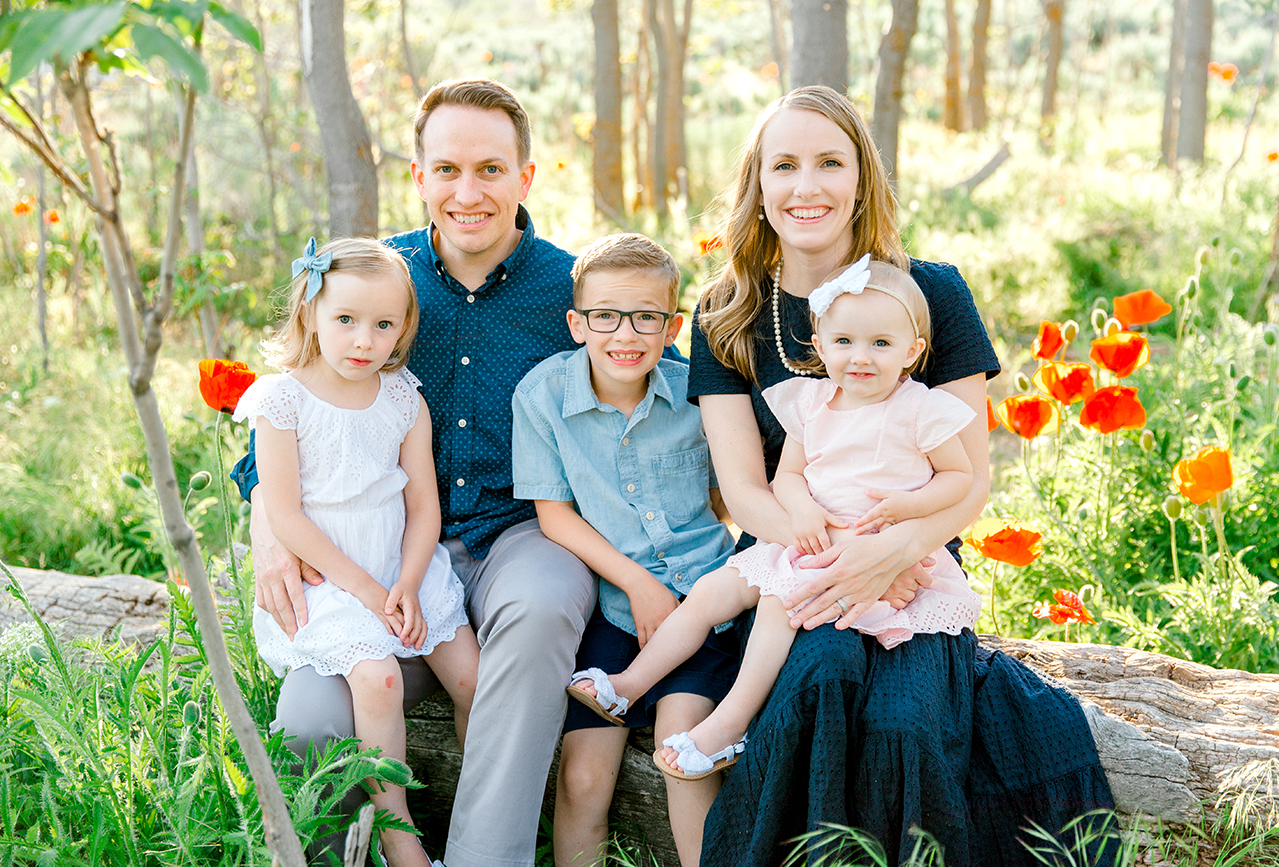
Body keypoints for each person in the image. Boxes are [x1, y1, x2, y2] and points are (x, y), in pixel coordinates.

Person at [685, 85, 1116, 866]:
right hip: (798, 568)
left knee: (908, 721)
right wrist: (837, 555)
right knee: (817, 686)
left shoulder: (932, 293)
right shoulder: (725, 312)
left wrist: (889, 553)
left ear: (862, 178)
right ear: (758, 183)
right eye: (783, 165)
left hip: (914, 566)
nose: (806, 185)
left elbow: (971, 477)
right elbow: (745, 488)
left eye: (829, 162)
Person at [232, 79, 629, 867]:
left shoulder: (574, 290)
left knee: (543, 604)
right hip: (376, 558)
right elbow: (275, 441)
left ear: (526, 176)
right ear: (419, 176)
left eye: (490, 168)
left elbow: (662, 381)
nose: (468, 191)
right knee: (311, 719)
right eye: (446, 169)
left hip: (525, 534)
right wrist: (269, 539)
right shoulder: (378, 281)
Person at [570, 257, 984, 785]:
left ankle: (730, 723)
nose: (861, 358)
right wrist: (804, 508)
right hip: (805, 535)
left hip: (877, 547)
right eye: (844, 342)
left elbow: (959, 478)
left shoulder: (918, 409)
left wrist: (907, 508)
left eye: (881, 344)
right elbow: (787, 476)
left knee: (776, 605)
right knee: (709, 595)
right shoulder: (812, 402)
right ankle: (627, 685)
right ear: (820, 344)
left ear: (913, 351)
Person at [234, 237, 478, 867]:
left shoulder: (402, 397)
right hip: (332, 580)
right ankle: (403, 843)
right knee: (379, 677)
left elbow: (424, 506)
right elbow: (283, 513)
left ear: (403, 329)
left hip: (401, 566)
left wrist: (410, 579)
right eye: (345, 320)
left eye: (383, 325)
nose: (363, 341)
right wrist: (369, 593)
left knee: (475, 678)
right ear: (310, 312)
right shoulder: (281, 400)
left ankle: (476, 828)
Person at [511, 233, 739, 867]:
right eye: (605, 316)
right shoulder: (543, 396)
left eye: (646, 317)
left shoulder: (698, 392)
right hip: (613, 611)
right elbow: (554, 514)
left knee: (679, 748)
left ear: (672, 326)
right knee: (583, 776)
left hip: (706, 608)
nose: (625, 334)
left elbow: (729, 494)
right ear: (576, 324)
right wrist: (639, 582)